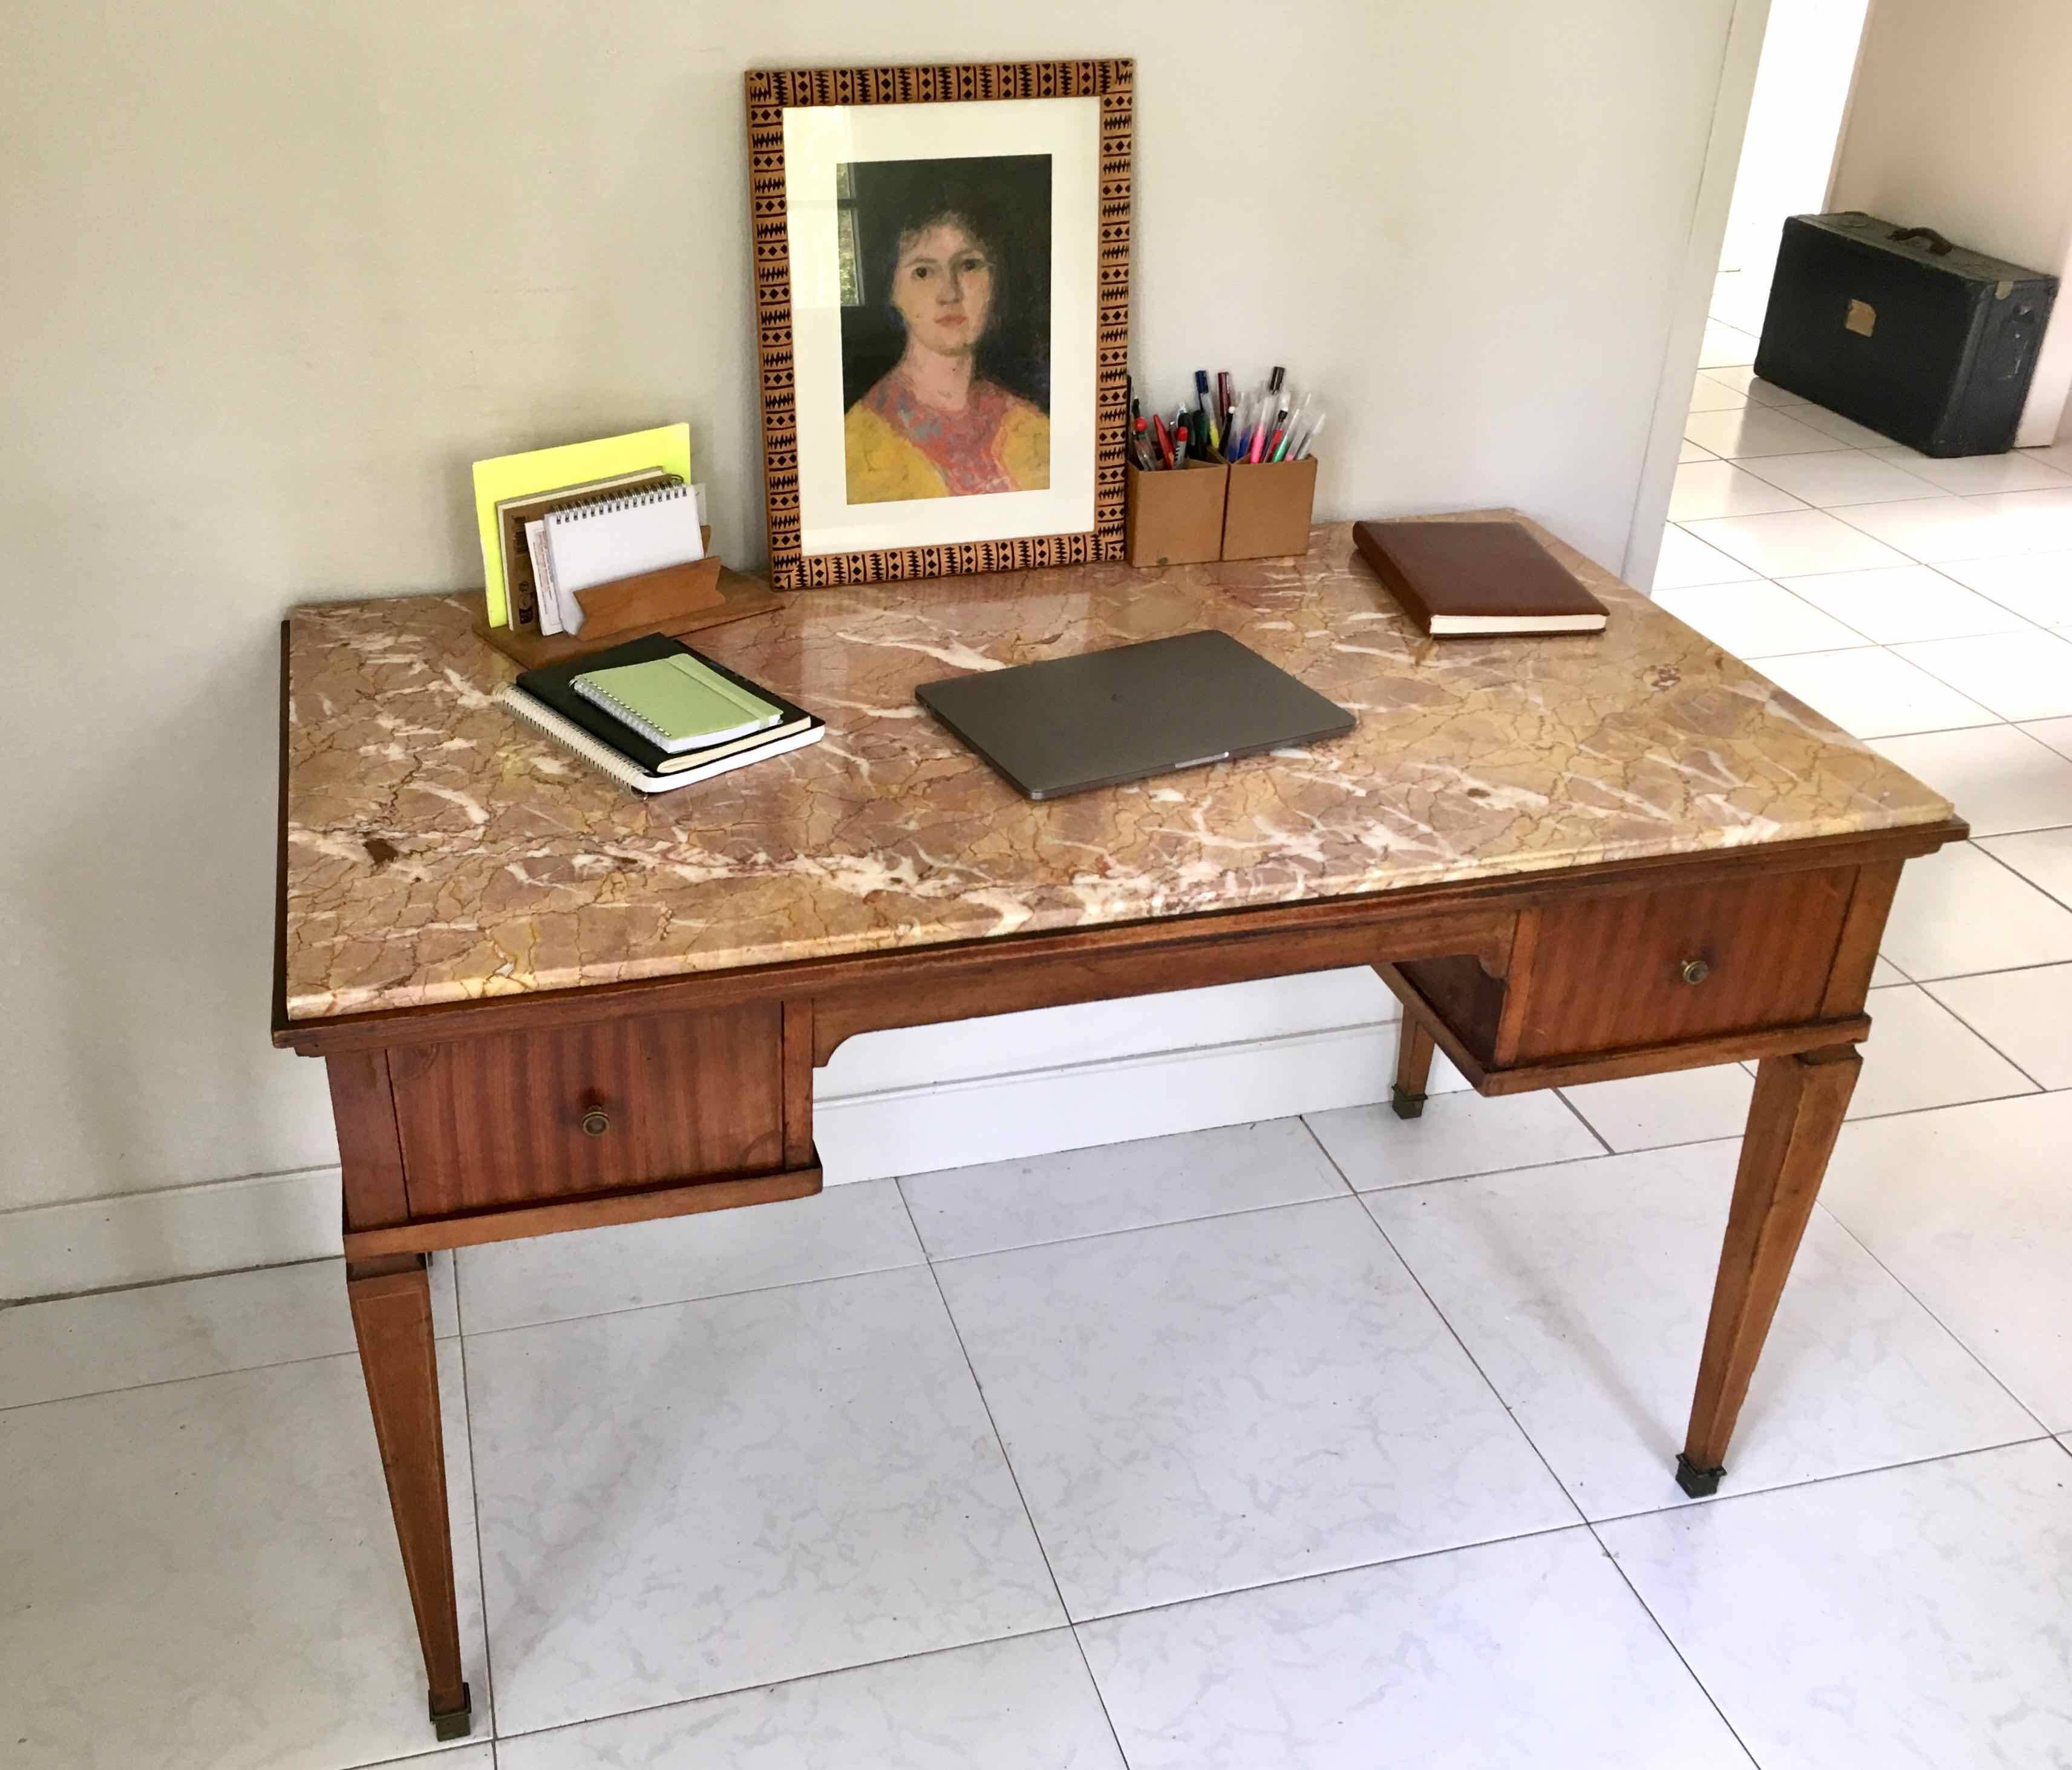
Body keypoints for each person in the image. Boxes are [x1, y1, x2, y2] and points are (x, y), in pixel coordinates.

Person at [844, 205, 1050, 503]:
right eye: (923, 272)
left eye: (969, 266)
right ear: (892, 290)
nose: (950, 293)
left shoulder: (1034, 428)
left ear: (995, 280)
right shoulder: (858, 447)